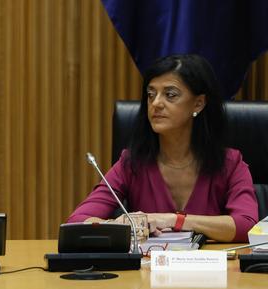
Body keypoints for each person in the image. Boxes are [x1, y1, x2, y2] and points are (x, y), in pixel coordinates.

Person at [68, 54, 257, 243]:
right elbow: (76, 221)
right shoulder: (132, 163)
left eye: (170, 95)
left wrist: (173, 219)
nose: (156, 103)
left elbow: (246, 226)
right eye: (151, 95)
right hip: (148, 271)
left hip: (211, 270)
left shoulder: (230, 163)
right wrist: (119, 225)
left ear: (198, 103)